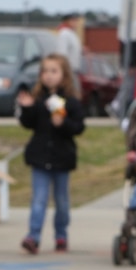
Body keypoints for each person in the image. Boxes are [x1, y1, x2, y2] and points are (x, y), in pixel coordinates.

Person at [17, 53, 86, 255]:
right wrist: (27, 108)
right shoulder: (38, 100)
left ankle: (61, 236)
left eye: (53, 71)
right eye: (44, 71)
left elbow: (79, 127)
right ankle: (33, 236)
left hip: (62, 159)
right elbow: (28, 124)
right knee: (38, 199)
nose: (48, 75)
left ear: (64, 75)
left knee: (62, 202)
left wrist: (63, 124)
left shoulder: (71, 101)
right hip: (40, 158)